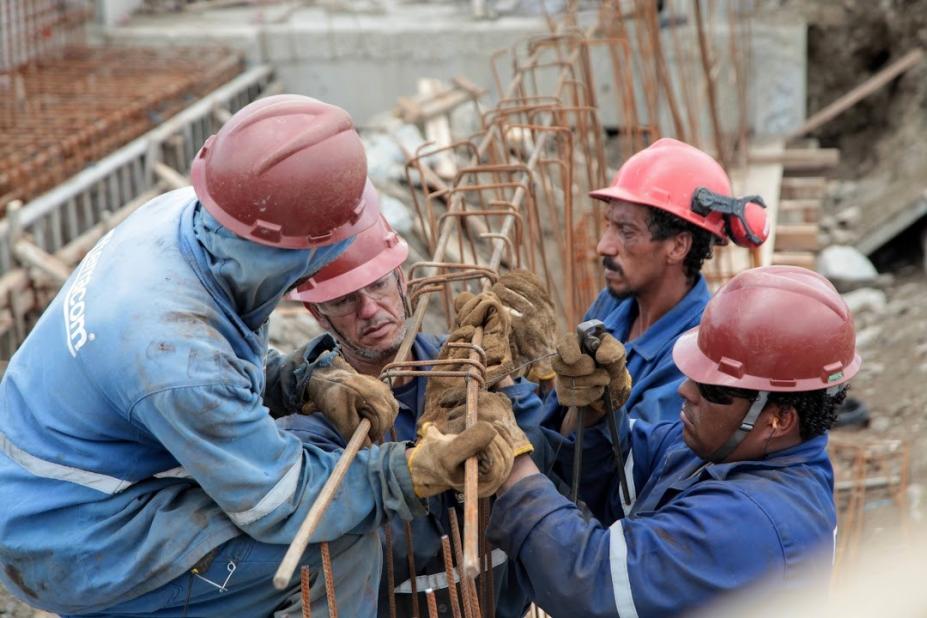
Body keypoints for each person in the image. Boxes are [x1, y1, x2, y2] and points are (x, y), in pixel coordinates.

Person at [0, 94, 509, 617]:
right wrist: (403, 474)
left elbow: (199, 364)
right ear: (295, 254)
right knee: (338, 547)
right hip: (70, 539)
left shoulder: (189, 220)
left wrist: (294, 382)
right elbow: (278, 502)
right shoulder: (174, 354)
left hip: (42, 488)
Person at [488, 265, 859, 616]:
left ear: (778, 419)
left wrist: (511, 457)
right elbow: (624, 471)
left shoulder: (754, 523)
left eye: (713, 389)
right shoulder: (729, 451)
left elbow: (593, 581)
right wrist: (596, 412)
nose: (685, 390)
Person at [272, 206, 552, 618]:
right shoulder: (316, 424)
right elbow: (358, 550)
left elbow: (552, 480)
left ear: (401, 279)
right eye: (345, 300)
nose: (369, 310)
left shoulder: (466, 363)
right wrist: (429, 478)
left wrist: (516, 390)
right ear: (317, 314)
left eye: (378, 285)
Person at [544, 137, 768, 427]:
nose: (603, 246)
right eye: (609, 225)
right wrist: (524, 386)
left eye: (626, 231)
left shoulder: (699, 349)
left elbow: (626, 464)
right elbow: (557, 421)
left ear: (677, 247)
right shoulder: (611, 303)